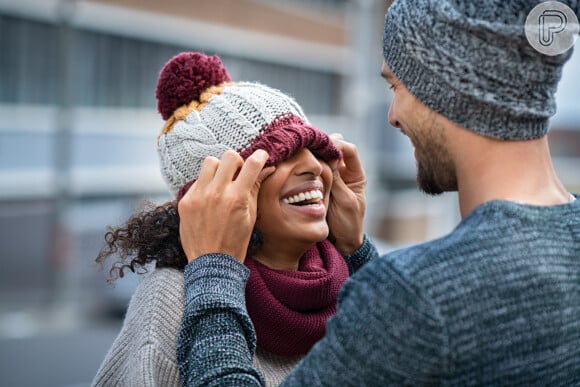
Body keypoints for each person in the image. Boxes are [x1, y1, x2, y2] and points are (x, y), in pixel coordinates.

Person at [176, 0, 580, 385]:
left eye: (396, 87)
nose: (393, 117)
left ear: (444, 86)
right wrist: (356, 250)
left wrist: (213, 270)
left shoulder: (416, 295)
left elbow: (414, 316)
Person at [91, 52, 370, 387]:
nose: (313, 165)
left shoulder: (353, 285)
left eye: (315, 148)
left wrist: (356, 251)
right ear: (216, 197)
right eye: (282, 153)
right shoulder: (172, 299)